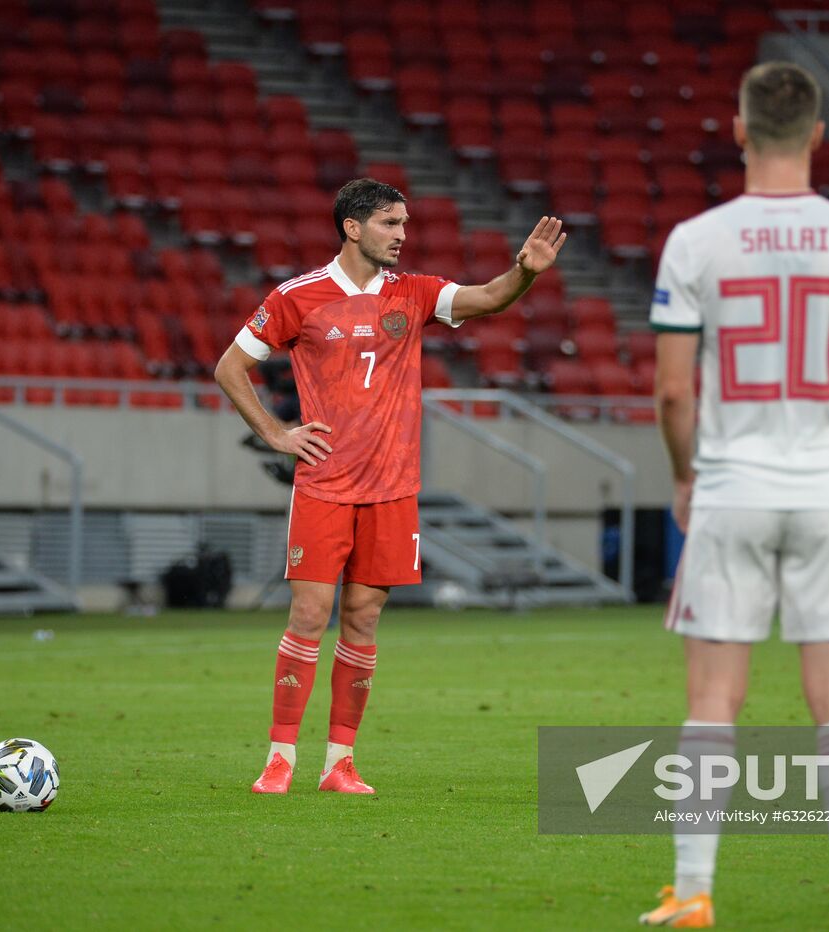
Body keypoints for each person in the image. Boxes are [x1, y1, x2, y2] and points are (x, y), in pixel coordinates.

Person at [642, 62, 829, 931]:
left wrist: (685, 474)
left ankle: (692, 892)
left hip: (733, 488)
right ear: (820, 138)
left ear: (739, 130)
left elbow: (674, 393)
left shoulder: (695, 240)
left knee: (713, 701)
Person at [214, 179, 567, 795]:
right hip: (324, 482)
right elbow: (230, 367)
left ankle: (339, 764)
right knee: (310, 611)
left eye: (404, 224)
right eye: (389, 223)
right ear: (352, 227)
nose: (402, 235)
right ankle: (279, 759)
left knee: (364, 616)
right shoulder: (298, 297)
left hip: (393, 488)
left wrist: (524, 272)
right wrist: (276, 433)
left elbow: (487, 298)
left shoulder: (417, 292)